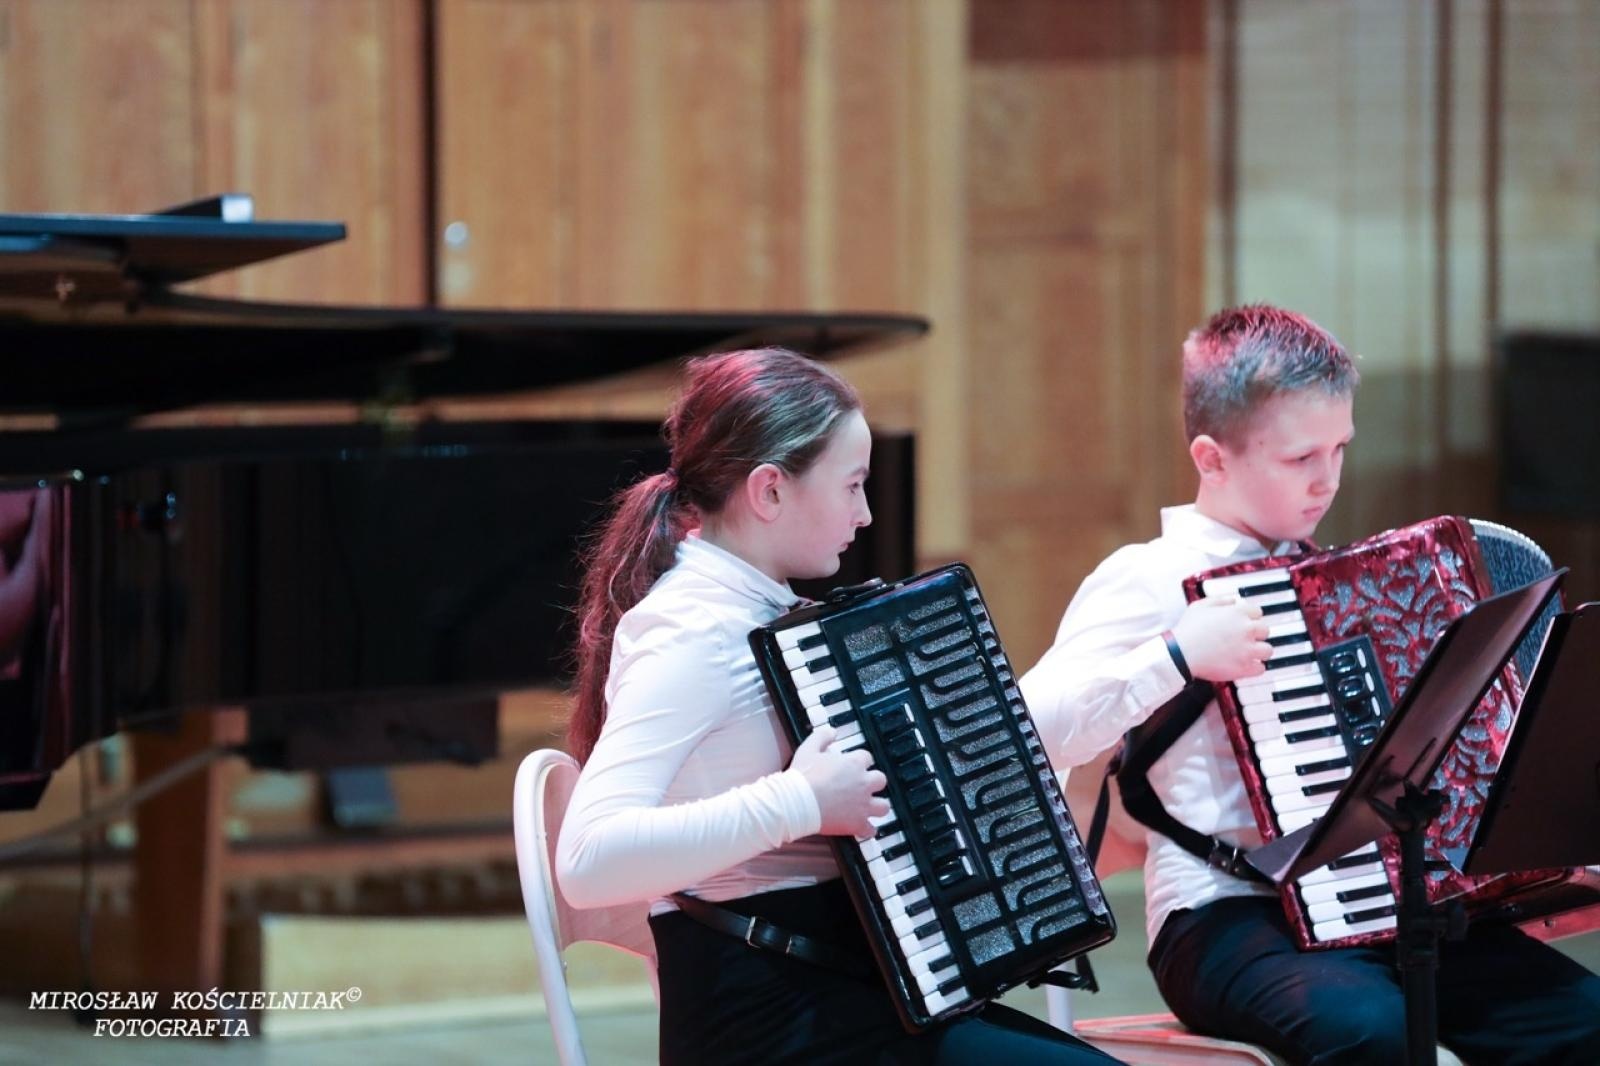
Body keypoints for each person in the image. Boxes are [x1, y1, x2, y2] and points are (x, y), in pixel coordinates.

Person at [1019, 305, 1600, 1065]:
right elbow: (1021, 730)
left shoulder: (1351, 582)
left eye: (1340, 450)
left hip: (1394, 906)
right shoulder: (1148, 579)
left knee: (1584, 1021)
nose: (1327, 480)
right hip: (1225, 919)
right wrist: (1175, 656)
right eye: (1300, 459)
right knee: (1374, 1035)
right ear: (1212, 457)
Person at [557, 348, 1119, 1065]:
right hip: (767, 1019)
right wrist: (800, 801)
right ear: (770, 492)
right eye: (852, 485)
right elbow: (587, 860)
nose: (866, 511)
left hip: (843, 990)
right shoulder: (691, 633)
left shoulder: (764, 613)